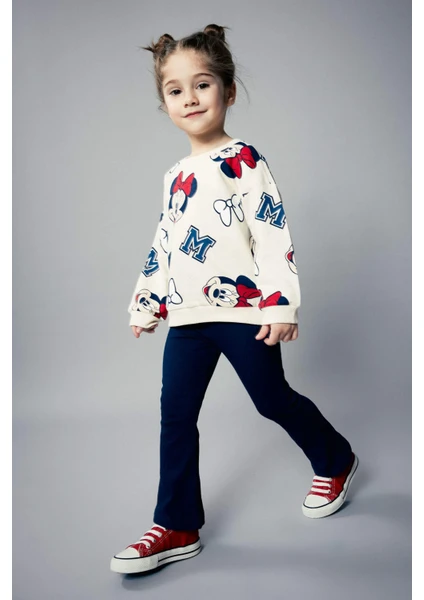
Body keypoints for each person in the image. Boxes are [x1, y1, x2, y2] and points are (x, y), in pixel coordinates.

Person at [110, 23, 358, 576]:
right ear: (165, 104)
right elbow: (165, 242)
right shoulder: (175, 174)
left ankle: (336, 459)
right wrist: (146, 302)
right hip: (188, 317)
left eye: (202, 85)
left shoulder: (244, 159)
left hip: (244, 313)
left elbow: (271, 232)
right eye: (176, 90)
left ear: (229, 91)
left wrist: (279, 304)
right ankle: (177, 524)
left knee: (271, 399)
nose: (190, 98)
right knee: (175, 415)